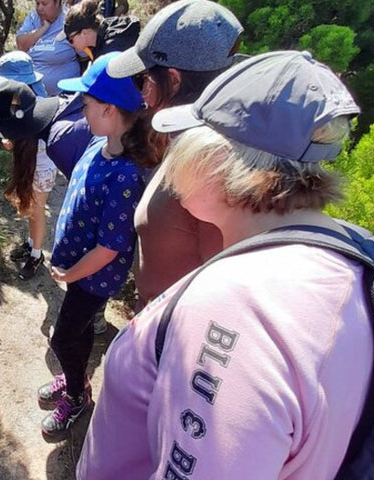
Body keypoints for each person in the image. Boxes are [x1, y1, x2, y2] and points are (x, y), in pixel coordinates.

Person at [77, 50, 370, 479]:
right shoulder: (346, 258)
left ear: (216, 161)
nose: (172, 155)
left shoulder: (238, 309)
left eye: (186, 139)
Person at [106, 0, 243, 310]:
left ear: (174, 80)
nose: (140, 94)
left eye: (143, 80)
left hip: (174, 334)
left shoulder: (209, 165)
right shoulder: (186, 139)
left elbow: (218, 283)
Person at [37, 52, 147, 437]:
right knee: (77, 329)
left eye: (86, 104)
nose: (81, 111)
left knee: (63, 336)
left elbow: (110, 248)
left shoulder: (127, 175)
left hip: (93, 276)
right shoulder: (96, 143)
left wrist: (69, 271)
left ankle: (78, 396)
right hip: (78, 269)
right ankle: (75, 378)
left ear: (110, 110)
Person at [0, 80, 93, 280]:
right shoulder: (37, 114)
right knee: (32, 209)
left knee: (36, 209)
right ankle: (32, 245)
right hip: (38, 165)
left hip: (45, 170)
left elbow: (79, 180)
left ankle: (36, 254)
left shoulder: (58, 141)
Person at [16, 0, 81, 96]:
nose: (39, 8)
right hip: (34, 94)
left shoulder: (70, 20)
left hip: (64, 95)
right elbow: (21, 45)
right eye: (37, 3)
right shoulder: (33, 18)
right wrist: (43, 29)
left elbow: (86, 55)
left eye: (44, 4)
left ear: (57, 3)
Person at [59, 0, 140, 64]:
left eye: (70, 40)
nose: (69, 44)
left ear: (84, 33)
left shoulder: (110, 51)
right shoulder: (100, 36)